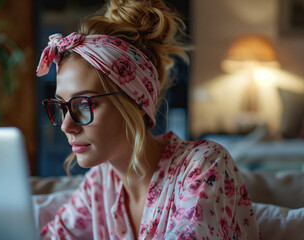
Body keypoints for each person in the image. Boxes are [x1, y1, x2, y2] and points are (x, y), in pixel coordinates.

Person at [36, 0, 261, 239]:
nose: (65, 125)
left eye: (84, 105)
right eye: (61, 105)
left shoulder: (205, 165)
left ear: (136, 103)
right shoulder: (101, 183)